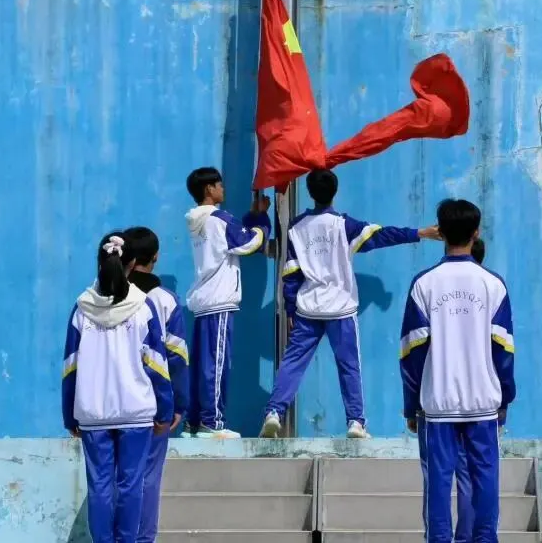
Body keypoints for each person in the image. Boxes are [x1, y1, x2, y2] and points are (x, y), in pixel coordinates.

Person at [260, 169, 441, 439]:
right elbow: (383, 235)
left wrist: (289, 309)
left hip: (307, 308)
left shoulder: (296, 227)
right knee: (348, 367)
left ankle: (274, 412)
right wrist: (420, 233)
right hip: (341, 309)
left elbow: (291, 272)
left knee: (292, 363)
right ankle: (356, 422)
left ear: (310, 193)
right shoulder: (345, 225)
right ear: (335, 192)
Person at [400, 199, 515, 543]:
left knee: (438, 483)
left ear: (440, 232)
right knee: (486, 479)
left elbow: (411, 352)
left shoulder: (424, 284)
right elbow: (504, 350)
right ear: (476, 232)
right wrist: (506, 396)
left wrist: (411, 405)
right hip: (483, 403)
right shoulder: (493, 284)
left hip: (438, 404)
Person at [61, 233, 174, 543]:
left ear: (100, 262)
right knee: (130, 485)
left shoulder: (81, 309)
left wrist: (69, 416)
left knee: (99, 486)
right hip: (136, 412)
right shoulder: (143, 306)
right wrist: (165, 410)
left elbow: (70, 367)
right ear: (132, 263)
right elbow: (157, 365)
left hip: (93, 413)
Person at [184, 167, 271, 439]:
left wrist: (250, 217)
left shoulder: (197, 221)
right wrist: (261, 221)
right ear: (209, 189)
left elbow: (229, 238)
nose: (223, 188)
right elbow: (249, 242)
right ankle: (213, 422)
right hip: (219, 301)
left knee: (201, 365)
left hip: (202, 301)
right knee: (217, 364)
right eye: (219, 184)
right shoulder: (220, 219)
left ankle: (194, 422)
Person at [122, 226, 189, 543]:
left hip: (112, 402)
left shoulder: (103, 296)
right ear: (156, 257)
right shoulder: (165, 300)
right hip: (151, 401)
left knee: (115, 477)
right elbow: (176, 357)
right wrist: (179, 403)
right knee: (147, 476)